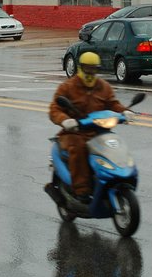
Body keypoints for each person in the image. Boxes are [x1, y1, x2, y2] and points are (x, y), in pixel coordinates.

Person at [49, 52, 136, 204]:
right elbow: (54, 109)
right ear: (80, 68)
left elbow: (112, 104)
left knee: (115, 144)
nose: (90, 72)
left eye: (93, 69)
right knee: (79, 148)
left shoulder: (103, 86)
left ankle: (116, 177)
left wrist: (125, 112)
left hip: (99, 131)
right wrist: (65, 120)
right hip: (73, 133)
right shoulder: (67, 87)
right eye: (87, 68)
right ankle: (81, 190)